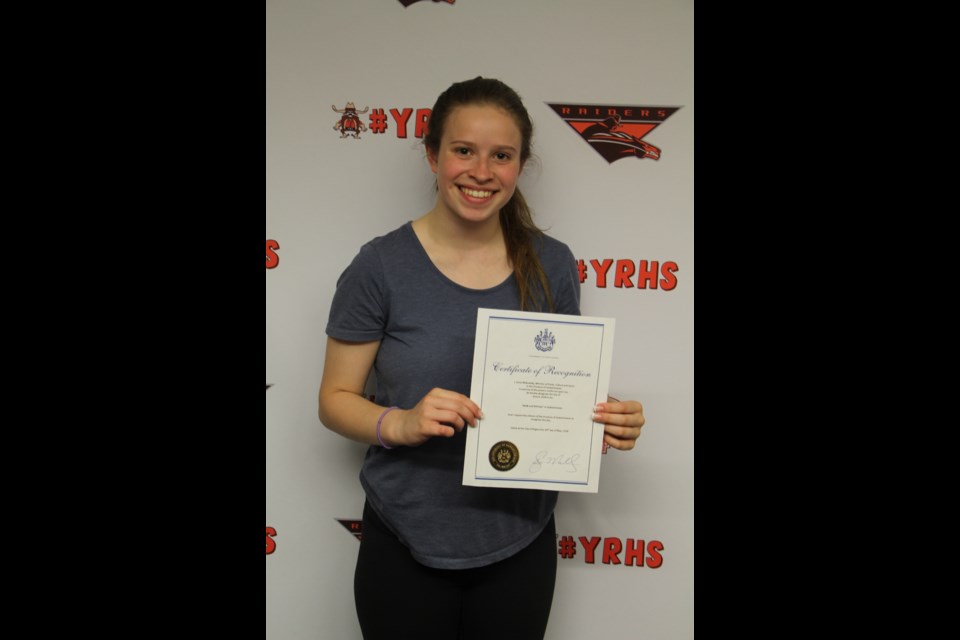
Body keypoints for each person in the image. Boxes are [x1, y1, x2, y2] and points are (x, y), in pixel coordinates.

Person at [318, 76, 645, 640]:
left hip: (518, 539)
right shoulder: (380, 267)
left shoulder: (553, 264)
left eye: (502, 155)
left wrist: (605, 419)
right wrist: (399, 421)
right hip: (404, 538)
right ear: (432, 155)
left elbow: (561, 391)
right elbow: (333, 400)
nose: (481, 171)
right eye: (463, 150)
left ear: (520, 165)